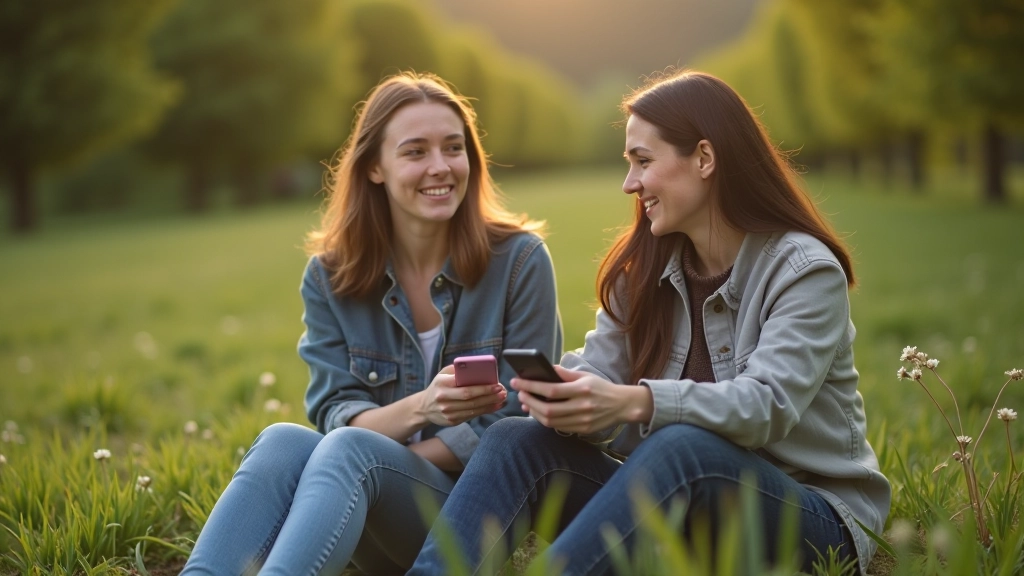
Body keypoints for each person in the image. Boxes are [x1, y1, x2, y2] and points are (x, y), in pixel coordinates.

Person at [408, 70, 890, 576]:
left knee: (682, 444)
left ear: (704, 158)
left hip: (807, 520)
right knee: (514, 439)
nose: (629, 183)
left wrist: (635, 402)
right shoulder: (640, 271)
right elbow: (602, 370)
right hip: (680, 504)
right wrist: (570, 397)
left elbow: (766, 406)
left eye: (643, 161)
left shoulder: (803, 269)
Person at [181, 72, 562, 575]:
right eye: (415, 152)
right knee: (283, 440)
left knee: (348, 449)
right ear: (375, 168)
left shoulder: (520, 261)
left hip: (475, 514)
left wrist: (365, 455)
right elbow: (335, 408)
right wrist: (423, 407)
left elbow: (519, 419)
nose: (440, 167)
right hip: (363, 505)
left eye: (453, 148)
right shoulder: (329, 275)